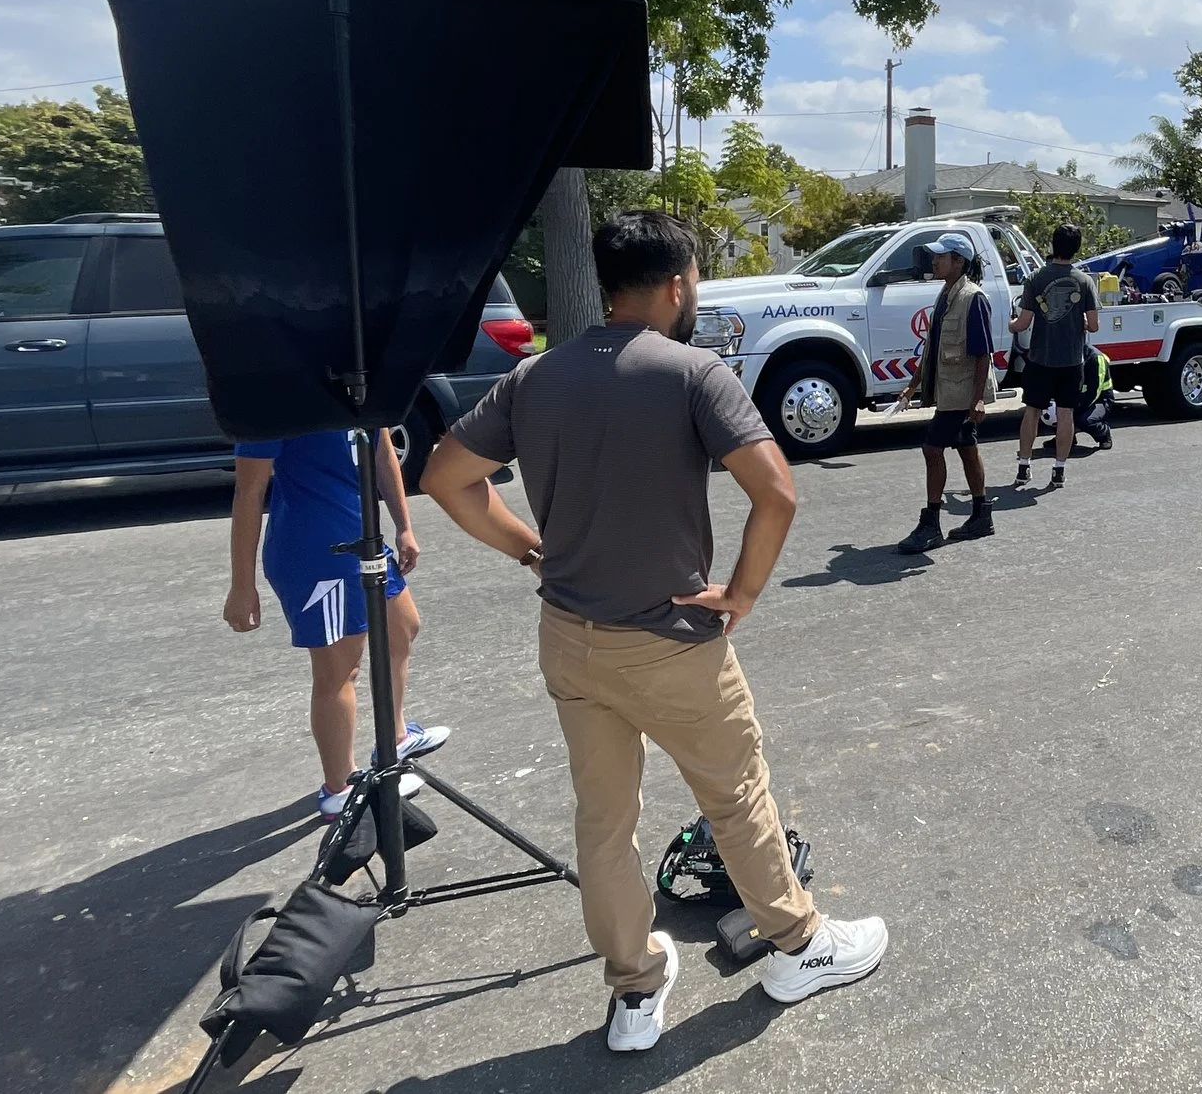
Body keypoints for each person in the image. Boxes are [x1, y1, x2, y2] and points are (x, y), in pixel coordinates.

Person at [422, 211, 887, 1054]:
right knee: (735, 796)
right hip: (670, 641)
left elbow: (446, 478)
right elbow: (777, 493)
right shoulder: (692, 373)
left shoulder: (535, 376)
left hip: (569, 636)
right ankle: (798, 946)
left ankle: (635, 989)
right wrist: (741, 594)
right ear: (677, 284)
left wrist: (530, 548)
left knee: (604, 823)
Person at [225, 430, 448, 818]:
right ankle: (339, 788)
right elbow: (248, 491)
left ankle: (394, 739)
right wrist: (242, 585)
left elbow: (383, 452)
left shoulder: (361, 393)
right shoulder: (273, 402)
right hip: (317, 552)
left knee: (402, 627)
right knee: (339, 672)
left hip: (363, 536)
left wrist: (404, 525)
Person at [895, 231, 997, 553]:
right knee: (966, 447)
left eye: (941, 256)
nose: (935, 261)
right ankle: (981, 515)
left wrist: (977, 399)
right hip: (950, 390)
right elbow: (932, 349)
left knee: (931, 448)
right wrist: (912, 385)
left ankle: (931, 524)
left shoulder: (973, 298)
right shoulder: (945, 294)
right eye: (935, 256)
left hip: (962, 394)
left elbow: (983, 354)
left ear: (959, 261)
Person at [1010, 223, 1101, 489]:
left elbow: (1023, 323)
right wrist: (1079, 322)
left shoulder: (1036, 278)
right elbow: (1094, 325)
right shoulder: (1084, 281)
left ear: (1053, 245)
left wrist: (1011, 324)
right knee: (1065, 413)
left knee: (1032, 411)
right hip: (1072, 360)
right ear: (1077, 248)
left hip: (1040, 358)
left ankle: (1024, 466)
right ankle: (1059, 469)